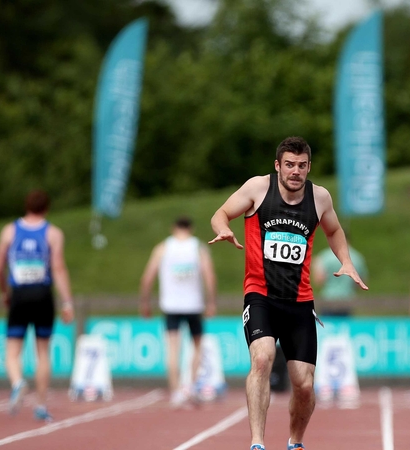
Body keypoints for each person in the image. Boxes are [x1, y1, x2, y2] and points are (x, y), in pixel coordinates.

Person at [209, 136, 367, 450]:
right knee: (263, 360)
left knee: (305, 386)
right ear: (278, 165)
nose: (296, 171)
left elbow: (333, 230)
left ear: (309, 167)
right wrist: (222, 228)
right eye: (290, 165)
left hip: (300, 303)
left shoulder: (319, 198)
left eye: (302, 165)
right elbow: (221, 213)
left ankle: (295, 442)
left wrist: (346, 261)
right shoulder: (257, 188)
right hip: (261, 297)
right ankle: (257, 443)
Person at [0, 190, 74, 422]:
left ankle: (18, 382)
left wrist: (3, 292)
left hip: (19, 294)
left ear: (25, 206)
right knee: (43, 352)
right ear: (46, 208)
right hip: (42, 295)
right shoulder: (53, 233)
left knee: (12, 352)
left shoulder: (9, 231)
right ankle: (40, 405)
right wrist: (67, 301)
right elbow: (58, 268)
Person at [139, 216, 217, 407]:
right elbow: (209, 276)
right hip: (193, 305)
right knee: (197, 346)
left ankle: (175, 392)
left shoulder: (162, 248)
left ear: (173, 228)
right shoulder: (198, 248)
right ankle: (190, 386)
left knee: (173, 349)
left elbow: (148, 276)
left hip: (171, 305)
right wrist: (211, 301)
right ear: (191, 229)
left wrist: (145, 301)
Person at [312, 238, 368, 317]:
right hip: (347, 299)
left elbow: (319, 281)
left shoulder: (324, 256)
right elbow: (361, 283)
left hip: (328, 299)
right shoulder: (357, 257)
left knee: (328, 326)